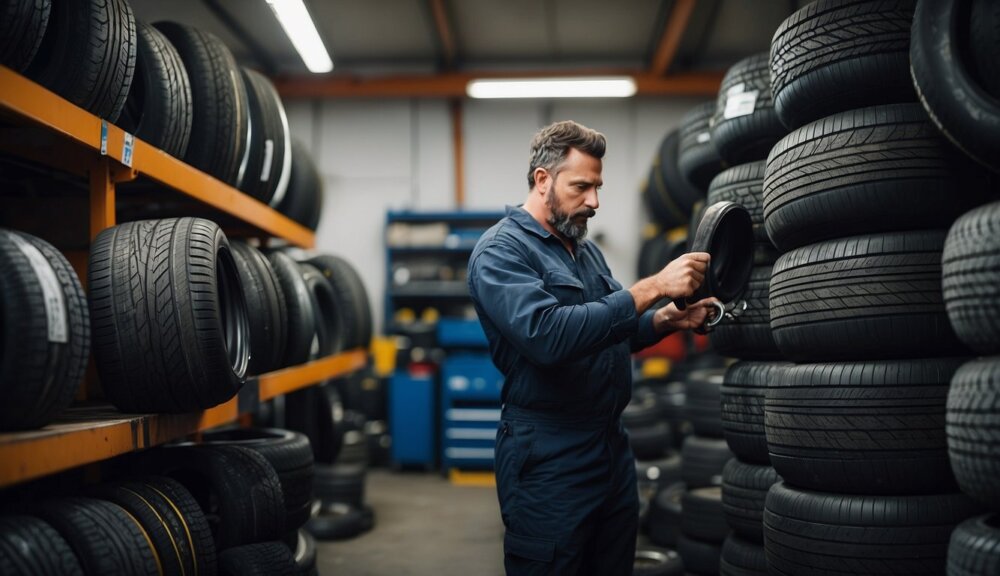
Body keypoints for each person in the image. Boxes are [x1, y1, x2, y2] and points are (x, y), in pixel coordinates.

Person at [467, 120, 717, 575]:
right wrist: (653, 286)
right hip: (548, 453)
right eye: (581, 187)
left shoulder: (584, 252)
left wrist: (666, 318)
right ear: (543, 180)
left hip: (610, 448)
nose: (595, 202)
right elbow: (549, 336)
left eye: (598, 187)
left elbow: (610, 331)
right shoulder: (500, 252)